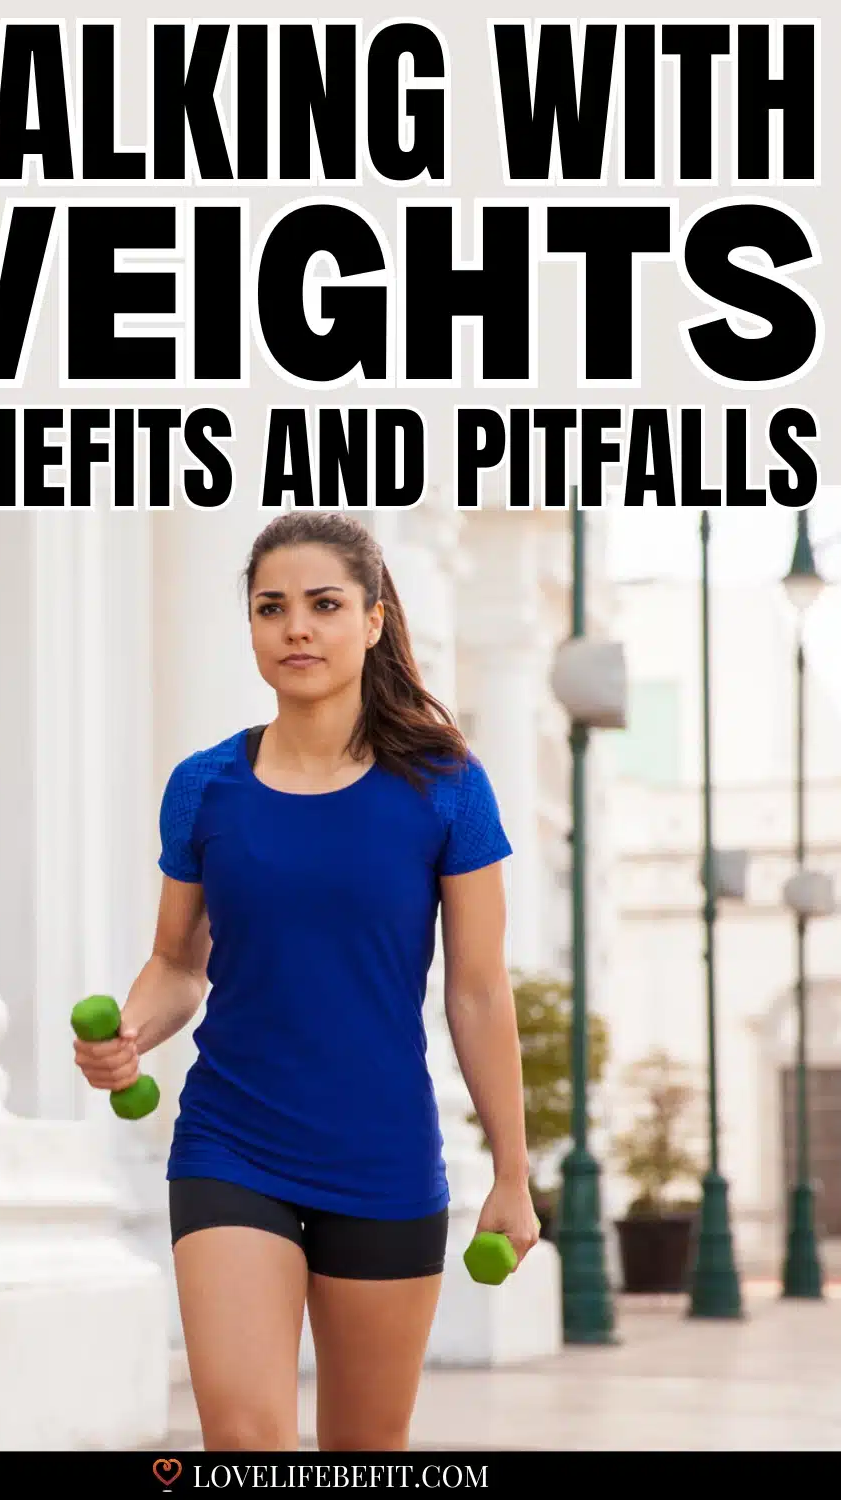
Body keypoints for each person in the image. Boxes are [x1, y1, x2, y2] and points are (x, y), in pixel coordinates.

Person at [73, 511, 539, 1451]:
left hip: (382, 1156)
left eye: (324, 605)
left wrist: (514, 1173)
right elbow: (177, 961)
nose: (296, 628)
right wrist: (126, 1032)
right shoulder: (206, 787)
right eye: (271, 607)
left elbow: (479, 992)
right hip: (231, 1143)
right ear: (249, 627)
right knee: (245, 1440)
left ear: (372, 620)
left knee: (363, 1450)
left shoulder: (445, 785)